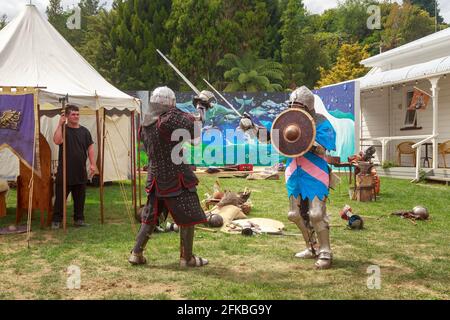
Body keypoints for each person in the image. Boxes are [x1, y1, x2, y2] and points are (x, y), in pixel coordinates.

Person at [240, 86, 336, 269]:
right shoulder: (287, 121)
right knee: (294, 214)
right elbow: (268, 136)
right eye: (291, 104)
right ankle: (312, 247)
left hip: (315, 172)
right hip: (294, 171)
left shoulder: (321, 122)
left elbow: (325, 146)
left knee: (316, 214)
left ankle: (326, 252)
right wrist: (251, 126)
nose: (293, 108)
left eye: (297, 105)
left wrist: (304, 137)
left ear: (308, 106)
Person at [128, 87, 215, 267]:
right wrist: (202, 107)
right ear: (170, 102)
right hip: (176, 177)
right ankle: (187, 258)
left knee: (151, 217)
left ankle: (136, 253)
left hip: (156, 177)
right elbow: (195, 130)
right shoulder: (169, 118)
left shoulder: (146, 123)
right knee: (188, 214)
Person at [52, 104, 97, 229]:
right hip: (65, 171)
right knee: (60, 198)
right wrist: (60, 124)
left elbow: (90, 148)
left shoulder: (85, 131)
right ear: (66, 116)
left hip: (80, 170)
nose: (76, 116)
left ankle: (79, 219)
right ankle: (56, 220)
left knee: (80, 198)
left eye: (77, 114)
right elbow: (57, 141)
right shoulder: (63, 129)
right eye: (73, 114)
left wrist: (93, 164)